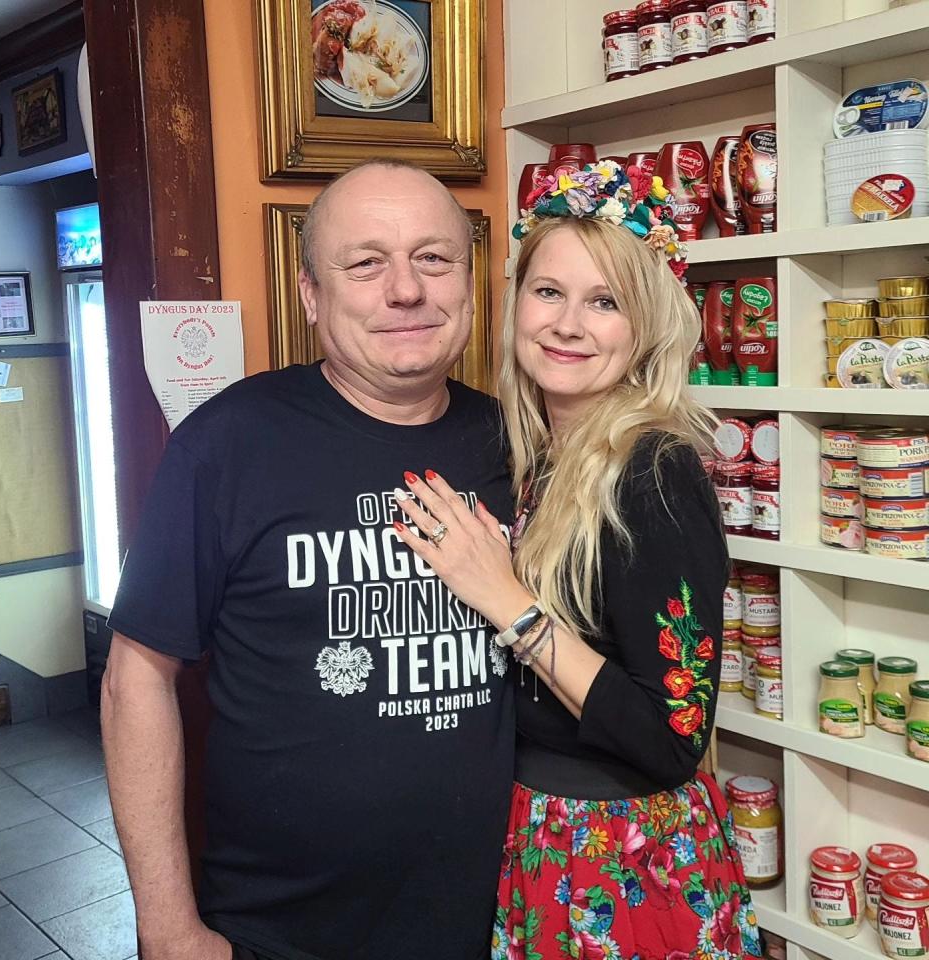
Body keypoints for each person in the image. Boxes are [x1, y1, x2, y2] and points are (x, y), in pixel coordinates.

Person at [103, 159, 516, 960]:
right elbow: (135, 681)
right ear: (310, 296)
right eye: (365, 263)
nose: (406, 289)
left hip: (490, 922)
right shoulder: (227, 446)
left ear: (468, 282)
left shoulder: (514, 440)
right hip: (279, 932)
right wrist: (168, 929)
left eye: (434, 258)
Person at [390, 162, 763, 960]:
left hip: (624, 861)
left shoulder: (653, 469)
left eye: (604, 302)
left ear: (645, 327)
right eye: (549, 292)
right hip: (544, 837)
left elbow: (674, 738)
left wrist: (507, 602)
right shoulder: (543, 453)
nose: (567, 323)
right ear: (516, 302)